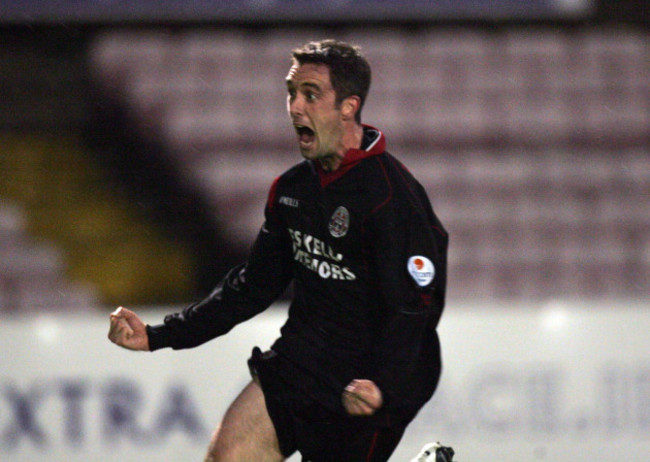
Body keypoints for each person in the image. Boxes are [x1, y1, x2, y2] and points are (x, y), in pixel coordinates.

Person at [108, 39, 449, 462]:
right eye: (291, 93)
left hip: (368, 380)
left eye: (310, 94)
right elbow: (252, 286)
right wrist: (161, 334)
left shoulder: (391, 198)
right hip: (303, 361)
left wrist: (382, 382)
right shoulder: (293, 190)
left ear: (348, 106)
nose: (294, 107)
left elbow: (415, 308)